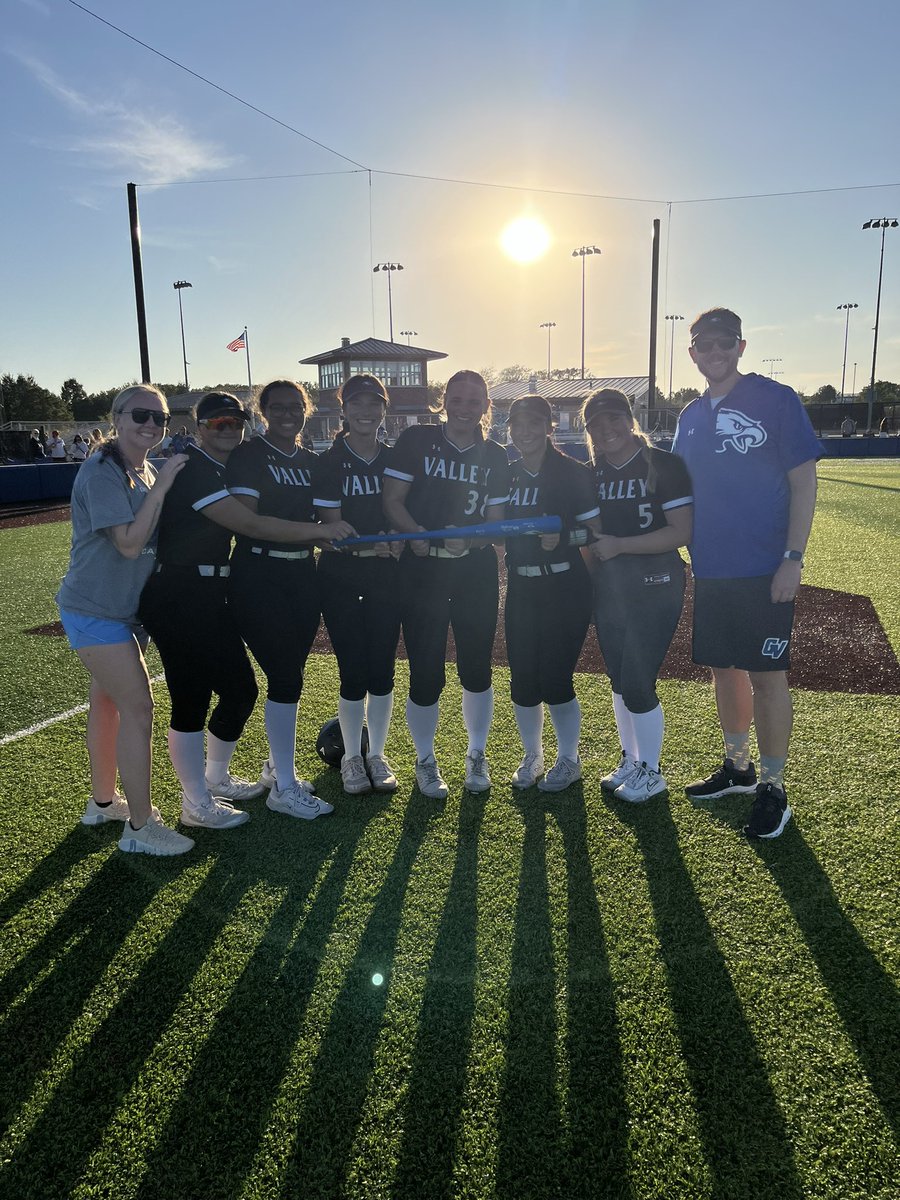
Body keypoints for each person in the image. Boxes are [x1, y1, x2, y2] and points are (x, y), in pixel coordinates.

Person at [139, 391, 356, 829]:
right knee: (198, 694)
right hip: (190, 589)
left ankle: (221, 777)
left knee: (243, 689)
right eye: (217, 423)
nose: (228, 429)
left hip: (235, 584)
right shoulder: (198, 467)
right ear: (199, 427)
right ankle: (250, 792)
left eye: (233, 423)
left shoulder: (233, 461)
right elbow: (251, 524)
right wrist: (319, 531)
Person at [672, 308, 819, 839]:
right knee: (725, 668)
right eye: (703, 346)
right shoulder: (690, 415)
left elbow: (803, 484)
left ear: (740, 345)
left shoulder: (775, 399)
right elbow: (678, 490)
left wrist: (792, 559)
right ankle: (738, 767)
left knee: (767, 674)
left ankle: (774, 787)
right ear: (691, 353)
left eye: (723, 344)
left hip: (764, 567)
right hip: (713, 568)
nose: (714, 353)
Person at [55, 384, 194, 856]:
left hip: (124, 611)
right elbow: (130, 544)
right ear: (116, 417)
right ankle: (140, 826)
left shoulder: (144, 468)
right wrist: (164, 486)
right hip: (96, 610)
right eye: (141, 415)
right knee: (139, 709)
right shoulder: (103, 470)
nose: (151, 425)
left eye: (160, 419)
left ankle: (101, 803)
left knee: (108, 704)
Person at [382, 370, 511, 797]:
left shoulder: (494, 455)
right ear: (445, 399)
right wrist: (417, 533)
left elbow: (497, 526)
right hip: (423, 570)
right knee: (425, 671)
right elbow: (392, 501)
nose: (465, 405)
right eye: (458, 397)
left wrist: (473, 537)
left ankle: (476, 754)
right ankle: (425, 757)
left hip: (474, 569)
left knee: (477, 668)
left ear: (485, 405)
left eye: (475, 399)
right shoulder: (416, 440)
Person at [225, 380, 338, 819]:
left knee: (290, 675)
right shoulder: (249, 454)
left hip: (301, 575)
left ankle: (277, 769)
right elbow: (251, 524)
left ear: (306, 409)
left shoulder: (312, 462)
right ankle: (284, 787)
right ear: (263, 410)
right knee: (286, 676)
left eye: (296, 407)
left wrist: (358, 539)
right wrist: (318, 532)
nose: (288, 414)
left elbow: (327, 525)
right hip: (258, 573)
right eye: (279, 407)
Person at [583, 389, 693, 803]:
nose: (606, 429)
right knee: (617, 678)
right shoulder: (591, 471)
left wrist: (621, 545)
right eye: (596, 423)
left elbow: (681, 532)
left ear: (630, 420)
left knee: (637, 679)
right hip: (611, 585)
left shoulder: (664, 464)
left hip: (655, 582)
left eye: (613, 419)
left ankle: (652, 769)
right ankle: (631, 759)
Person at [503, 395, 601, 791]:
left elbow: (595, 533)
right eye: (517, 425)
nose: (525, 432)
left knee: (556, 677)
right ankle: (533, 755)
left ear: (549, 427)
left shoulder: (572, 472)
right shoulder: (504, 475)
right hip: (522, 586)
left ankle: (569, 759)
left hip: (564, 585)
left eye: (533, 424)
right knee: (524, 678)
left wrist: (564, 537)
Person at [312, 374, 401, 796]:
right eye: (358, 404)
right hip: (341, 576)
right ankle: (351, 757)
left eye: (374, 403)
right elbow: (332, 530)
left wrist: (396, 544)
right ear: (343, 408)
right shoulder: (328, 461)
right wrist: (372, 548)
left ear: (385, 409)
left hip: (386, 576)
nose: (366, 411)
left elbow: (402, 518)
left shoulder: (396, 458)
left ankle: (377, 753)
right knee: (352, 667)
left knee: (382, 666)